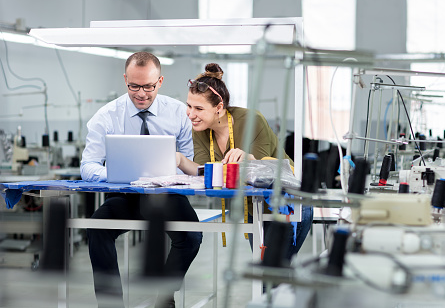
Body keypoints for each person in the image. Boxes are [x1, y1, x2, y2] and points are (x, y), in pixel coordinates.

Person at [81, 52, 202, 308]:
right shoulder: (107, 116)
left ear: (160, 81)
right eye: (134, 86)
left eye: (148, 86)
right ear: (125, 79)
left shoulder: (180, 113)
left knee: (191, 236)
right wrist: (118, 175)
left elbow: (187, 165)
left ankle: (163, 295)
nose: (141, 93)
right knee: (97, 228)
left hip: (166, 196)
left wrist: (164, 178)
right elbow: (88, 166)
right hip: (126, 196)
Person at [177, 63, 313, 262]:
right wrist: (180, 160)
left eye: (198, 108)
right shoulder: (200, 128)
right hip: (255, 208)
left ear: (219, 108)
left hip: (288, 204)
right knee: (265, 274)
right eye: (189, 106)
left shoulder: (252, 120)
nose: (190, 114)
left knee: (276, 274)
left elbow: (263, 175)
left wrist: (248, 158)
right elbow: (206, 172)